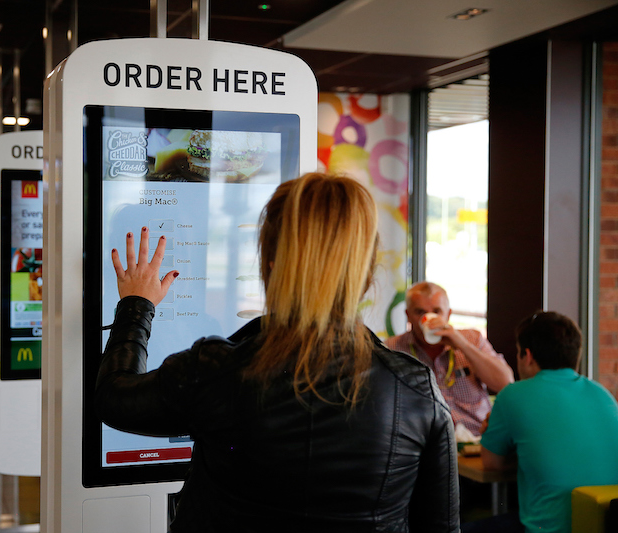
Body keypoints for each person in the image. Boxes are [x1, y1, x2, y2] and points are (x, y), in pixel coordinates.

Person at [95, 173, 459, 532]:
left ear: (270, 262)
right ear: (365, 275)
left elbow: (114, 396)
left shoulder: (214, 369)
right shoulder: (416, 392)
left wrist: (136, 305)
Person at [469, 311, 618, 533]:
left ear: (527, 355)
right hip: (604, 524)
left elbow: (492, 464)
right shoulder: (603, 394)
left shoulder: (513, 394)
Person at [385, 282, 514, 435]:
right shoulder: (392, 349)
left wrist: (462, 345)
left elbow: (506, 383)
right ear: (408, 316)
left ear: (448, 314)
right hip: (424, 443)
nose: (428, 318)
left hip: (476, 438)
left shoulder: (472, 339)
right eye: (420, 312)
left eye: (437, 311)